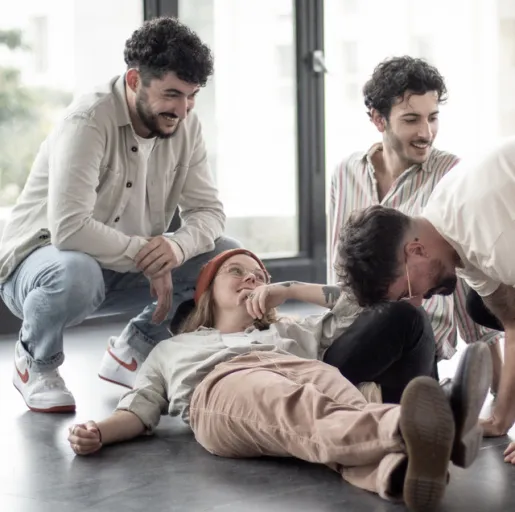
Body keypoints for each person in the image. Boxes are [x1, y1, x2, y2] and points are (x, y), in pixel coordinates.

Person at [66, 248, 492, 512]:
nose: (251, 278)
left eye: (259, 275)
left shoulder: (289, 330)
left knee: (340, 411)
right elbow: (139, 409)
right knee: (303, 410)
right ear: (206, 292)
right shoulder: (172, 349)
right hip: (223, 386)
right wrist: (97, 432)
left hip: (303, 370)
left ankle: (400, 471)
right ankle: (419, 426)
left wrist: (287, 288)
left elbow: (357, 305)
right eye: (236, 271)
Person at [0, 17, 240, 414]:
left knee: (224, 258)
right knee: (75, 271)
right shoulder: (87, 121)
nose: (182, 110)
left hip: (119, 268)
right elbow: (70, 228)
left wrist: (176, 249)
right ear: (134, 80)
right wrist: (149, 255)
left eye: (192, 96)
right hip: (41, 268)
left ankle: (133, 352)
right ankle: (35, 362)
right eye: (172, 94)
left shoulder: (186, 125)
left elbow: (209, 212)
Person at [327, 56, 502, 399]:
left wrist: (500, 403)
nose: (426, 133)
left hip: (417, 341)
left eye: (432, 118)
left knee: (405, 315)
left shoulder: (450, 174)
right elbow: (342, 275)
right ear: (378, 119)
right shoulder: (346, 173)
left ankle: (416, 406)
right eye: (411, 120)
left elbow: (466, 278)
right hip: (361, 333)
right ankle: (424, 407)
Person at [336, 135, 515, 437]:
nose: (418, 302)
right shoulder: (449, 227)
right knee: (483, 306)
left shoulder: (492, 242)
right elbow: (512, 322)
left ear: (416, 251)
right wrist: (500, 420)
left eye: (408, 291)